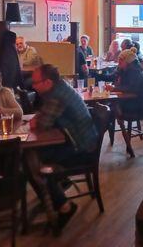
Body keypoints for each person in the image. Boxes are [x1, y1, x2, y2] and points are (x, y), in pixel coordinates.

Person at [30, 64, 98, 227]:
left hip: (81, 148)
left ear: (47, 82)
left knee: (35, 164)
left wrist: (37, 120)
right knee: (33, 157)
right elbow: (45, 114)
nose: (33, 86)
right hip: (80, 140)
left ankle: (64, 206)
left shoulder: (57, 96)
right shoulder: (60, 87)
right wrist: (38, 118)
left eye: (35, 82)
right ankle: (57, 189)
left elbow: (44, 124)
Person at [107, 47, 143, 116]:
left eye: (121, 60)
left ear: (127, 61)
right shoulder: (123, 69)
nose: (119, 62)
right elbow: (112, 77)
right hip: (132, 99)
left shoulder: (135, 71)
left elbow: (132, 88)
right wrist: (97, 75)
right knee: (110, 106)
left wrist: (114, 88)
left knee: (110, 108)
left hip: (141, 103)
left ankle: (116, 120)